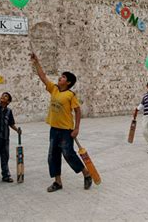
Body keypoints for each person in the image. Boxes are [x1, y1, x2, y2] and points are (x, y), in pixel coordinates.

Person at [30, 52, 92, 192]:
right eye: (61, 76)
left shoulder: (70, 95)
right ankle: (58, 182)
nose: (60, 78)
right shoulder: (54, 90)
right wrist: (36, 62)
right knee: (53, 155)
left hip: (66, 131)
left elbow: (77, 111)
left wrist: (76, 129)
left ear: (68, 82)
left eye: (63, 77)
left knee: (68, 154)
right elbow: (43, 76)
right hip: (54, 129)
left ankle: (86, 173)